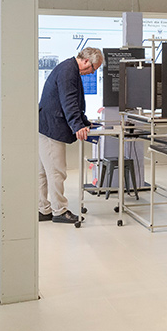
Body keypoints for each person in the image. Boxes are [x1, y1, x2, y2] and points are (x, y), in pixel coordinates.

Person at [38, 47, 103, 223]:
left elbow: (73, 101)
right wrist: (77, 126)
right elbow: (68, 100)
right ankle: (59, 211)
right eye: (93, 69)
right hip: (51, 128)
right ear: (86, 61)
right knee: (56, 172)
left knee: (44, 172)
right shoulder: (68, 71)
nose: (91, 73)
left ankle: (43, 209)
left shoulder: (69, 68)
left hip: (46, 125)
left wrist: (84, 121)